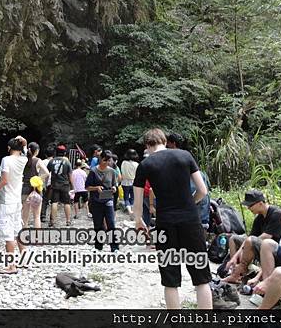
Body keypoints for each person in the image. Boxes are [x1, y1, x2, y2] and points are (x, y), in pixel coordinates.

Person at [133, 128, 211, 309]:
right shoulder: (185, 156)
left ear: (147, 145)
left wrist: (139, 221)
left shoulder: (145, 165)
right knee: (201, 278)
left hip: (165, 222)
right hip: (191, 220)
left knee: (170, 279)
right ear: (165, 140)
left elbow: (138, 203)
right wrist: (190, 204)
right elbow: (203, 191)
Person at [222, 189, 281, 284]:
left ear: (260, 203)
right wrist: (235, 256)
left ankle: (238, 273)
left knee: (250, 241)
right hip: (261, 246)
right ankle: (234, 270)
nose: (248, 208)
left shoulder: (276, 214)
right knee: (234, 239)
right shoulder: (259, 218)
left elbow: (265, 236)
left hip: (274, 250)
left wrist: (245, 248)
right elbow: (248, 238)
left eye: (250, 205)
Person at [0, 136, 28, 274]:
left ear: (9, 148)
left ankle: (11, 266)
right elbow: (25, 150)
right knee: (17, 230)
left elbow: (4, 180)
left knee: (8, 234)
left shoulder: (6, 160)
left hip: (7, 201)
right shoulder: (23, 160)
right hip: (17, 201)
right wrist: (23, 141)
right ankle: (24, 259)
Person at [85, 150, 118, 252]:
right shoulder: (93, 171)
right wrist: (96, 188)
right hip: (96, 200)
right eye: (105, 160)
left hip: (108, 199)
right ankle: (98, 246)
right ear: (100, 159)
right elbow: (87, 187)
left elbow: (115, 184)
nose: (106, 163)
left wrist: (114, 188)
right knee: (98, 224)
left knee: (111, 223)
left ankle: (114, 247)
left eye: (109, 161)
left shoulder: (112, 171)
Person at [21, 142, 50, 228]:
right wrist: (39, 178)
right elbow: (47, 173)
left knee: (24, 216)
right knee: (36, 216)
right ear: (37, 151)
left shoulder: (23, 160)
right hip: (35, 189)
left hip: (25, 188)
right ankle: (37, 238)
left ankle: (24, 236)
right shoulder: (38, 161)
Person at [47, 144, 73, 227]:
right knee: (67, 203)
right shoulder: (67, 162)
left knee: (54, 202)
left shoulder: (51, 161)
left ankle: (52, 221)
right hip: (65, 185)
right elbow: (70, 175)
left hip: (54, 184)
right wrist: (73, 186)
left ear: (56, 152)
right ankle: (68, 221)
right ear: (64, 153)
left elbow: (47, 173)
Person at [120, 149, 139, 219]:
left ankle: (129, 211)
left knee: (126, 197)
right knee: (133, 197)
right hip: (134, 182)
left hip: (125, 182)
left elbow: (122, 172)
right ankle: (132, 211)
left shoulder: (124, 163)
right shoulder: (136, 164)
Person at [40, 146, 55, 223]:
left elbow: (40, 173)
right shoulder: (55, 162)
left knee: (44, 200)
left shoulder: (42, 162)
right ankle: (52, 218)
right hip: (54, 183)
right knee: (54, 201)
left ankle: (43, 216)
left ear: (45, 154)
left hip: (43, 183)